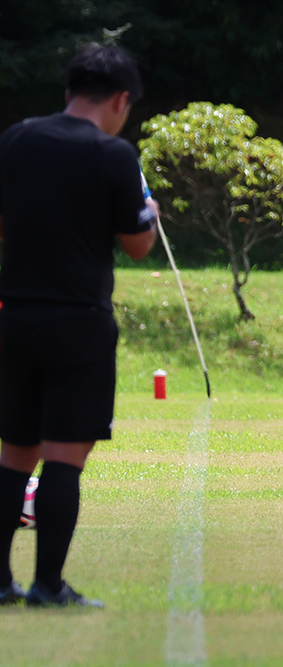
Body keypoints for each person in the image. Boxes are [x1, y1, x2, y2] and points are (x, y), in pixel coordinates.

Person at [0, 45, 158, 607]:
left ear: (69, 91)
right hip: (78, 321)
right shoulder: (113, 154)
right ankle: (48, 586)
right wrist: (150, 214)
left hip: (14, 316)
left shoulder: (16, 139)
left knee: (13, 455)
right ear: (120, 100)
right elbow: (137, 245)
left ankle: (0, 581)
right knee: (64, 456)